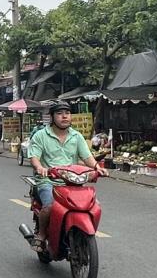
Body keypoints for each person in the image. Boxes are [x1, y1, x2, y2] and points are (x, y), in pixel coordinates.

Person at [29, 103, 104, 250]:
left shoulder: (77, 136)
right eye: (59, 113)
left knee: (95, 206)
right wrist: (40, 168)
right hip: (48, 181)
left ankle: (83, 235)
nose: (64, 116)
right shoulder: (41, 136)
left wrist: (96, 167)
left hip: (72, 182)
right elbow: (34, 157)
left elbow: (87, 157)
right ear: (51, 117)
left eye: (67, 113)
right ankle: (42, 235)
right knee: (50, 206)